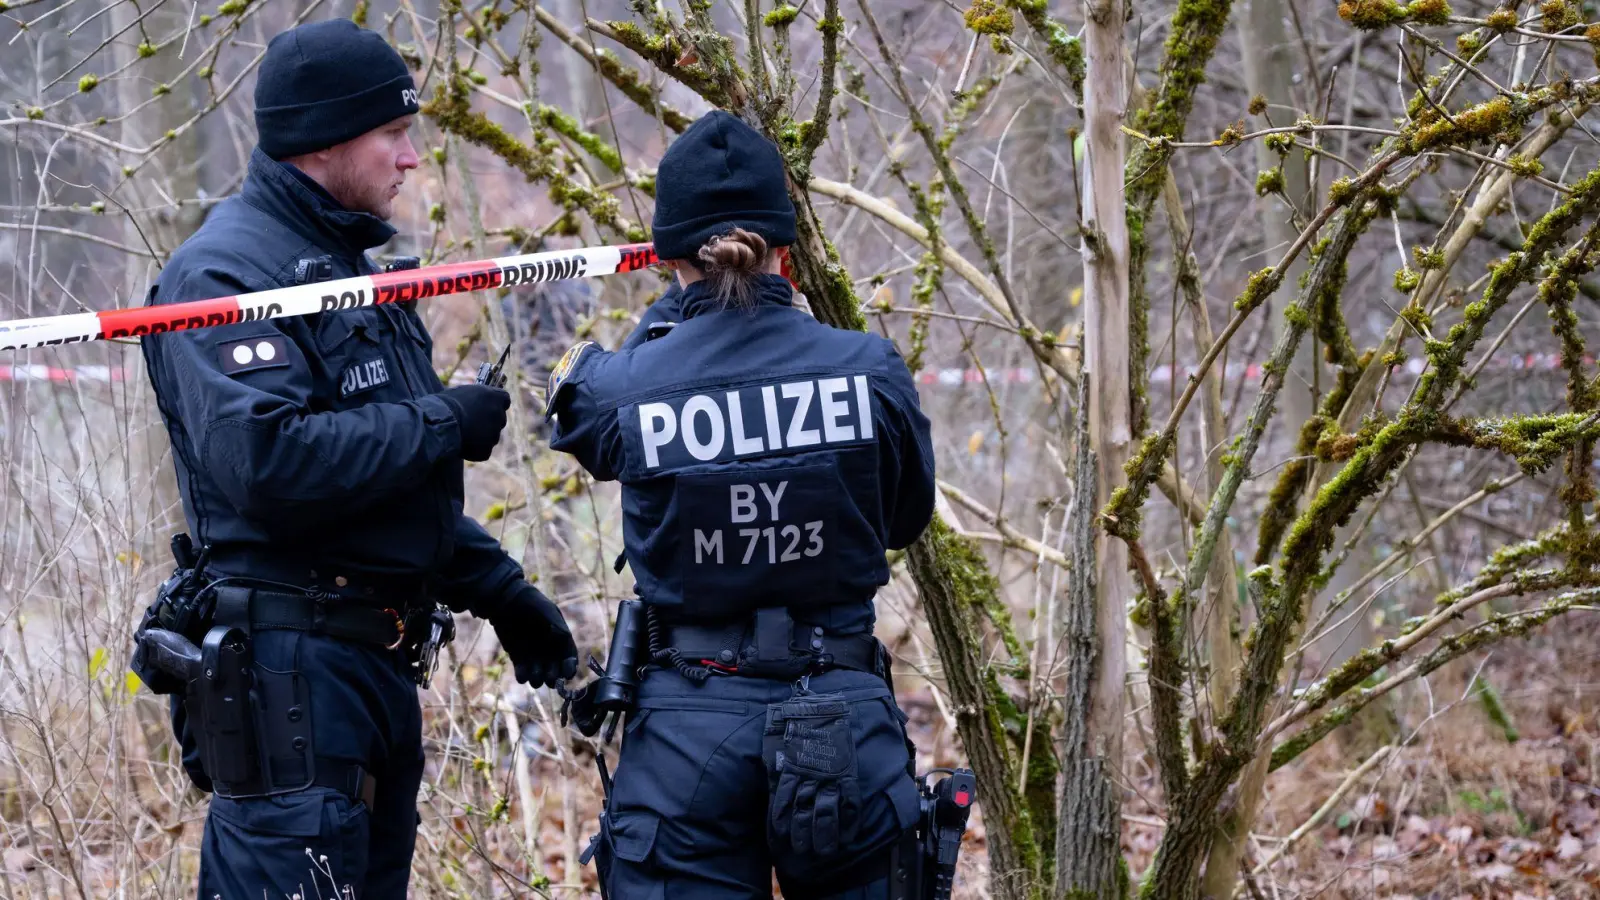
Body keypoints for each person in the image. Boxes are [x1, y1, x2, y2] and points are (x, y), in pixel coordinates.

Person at [134, 19, 576, 899]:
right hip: (290, 686)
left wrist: (503, 593)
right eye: (394, 134)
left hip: (374, 674)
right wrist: (442, 421)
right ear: (326, 140)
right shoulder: (223, 277)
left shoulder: (351, 270)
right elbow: (270, 464)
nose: (411, 159)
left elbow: (386, 497)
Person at [547, 110, 937, 898]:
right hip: (844, 709)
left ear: (669, 259)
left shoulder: (629, 386)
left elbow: (582, 411)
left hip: (689, 726)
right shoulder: (870, 369)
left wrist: (682, 313)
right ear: (787, 252)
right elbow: (904, 520)